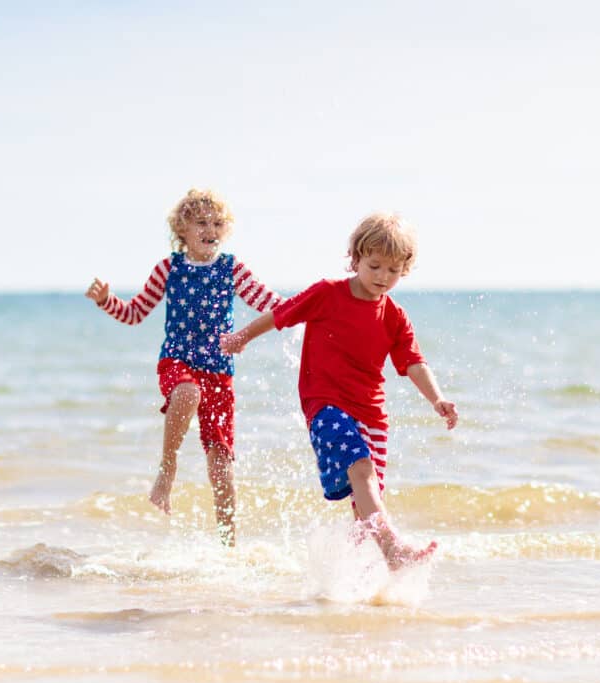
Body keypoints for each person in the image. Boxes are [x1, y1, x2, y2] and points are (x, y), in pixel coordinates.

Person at [220, 212, 458, 569]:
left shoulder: (394, 315)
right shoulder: (327, 294)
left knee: (365, 505)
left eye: (393, 271)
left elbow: (413, 362)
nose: (382, 277)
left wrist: (437, 398)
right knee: (361, 469)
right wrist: (242, 337)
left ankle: (348, 578)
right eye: (374, 265)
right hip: (326, 406)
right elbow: (282, 314)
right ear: (356, 258)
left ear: (404, 270)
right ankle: (394, 551)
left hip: (372, 414)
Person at [85, 189, 281, 546]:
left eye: (218, 223)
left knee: (222, 465)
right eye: (202, 223)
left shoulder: (231, 268)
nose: (211, 230)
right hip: (177, 360)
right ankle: (167, 468)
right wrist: (105, 301)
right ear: (182, 229)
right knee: (188, 392)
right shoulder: (168, 269)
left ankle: (228, 547)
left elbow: (269, 302)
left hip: (220, 370)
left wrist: (314, 307)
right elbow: (134, 314)